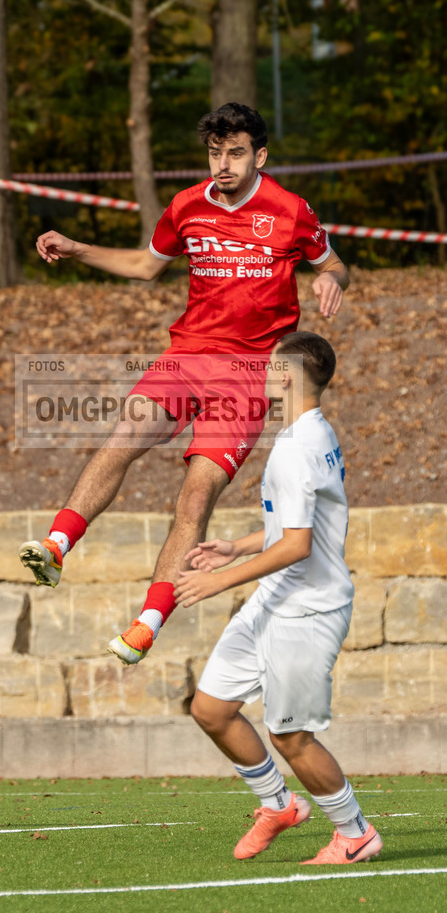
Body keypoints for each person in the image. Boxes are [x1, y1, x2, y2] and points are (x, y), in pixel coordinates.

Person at [18, 102, 350, 666]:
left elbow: (334, 263)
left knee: (195, 497)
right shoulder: (187, 206)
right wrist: (78, 249)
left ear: (260, 156)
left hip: (248, 377)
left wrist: (330, 281)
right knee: (126, 433)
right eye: (215, 153)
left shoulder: (290, 211)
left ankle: (148, 621)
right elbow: (146, 266)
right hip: (187, 354)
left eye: (236, 153)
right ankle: (56, 546)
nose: (223, 164)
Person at [174, 331, 382, 865]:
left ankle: (355, 833)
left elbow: (298, 544)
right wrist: (235, 546)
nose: (262, 374)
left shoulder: (296, 449)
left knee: (291, 737)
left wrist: (221, 580)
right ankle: (279, 803)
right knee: (212, 708)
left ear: (287, 378)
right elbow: (293, 525)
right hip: (275, 600)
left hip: (308, 611)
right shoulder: (308, 433)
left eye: (270, 367)